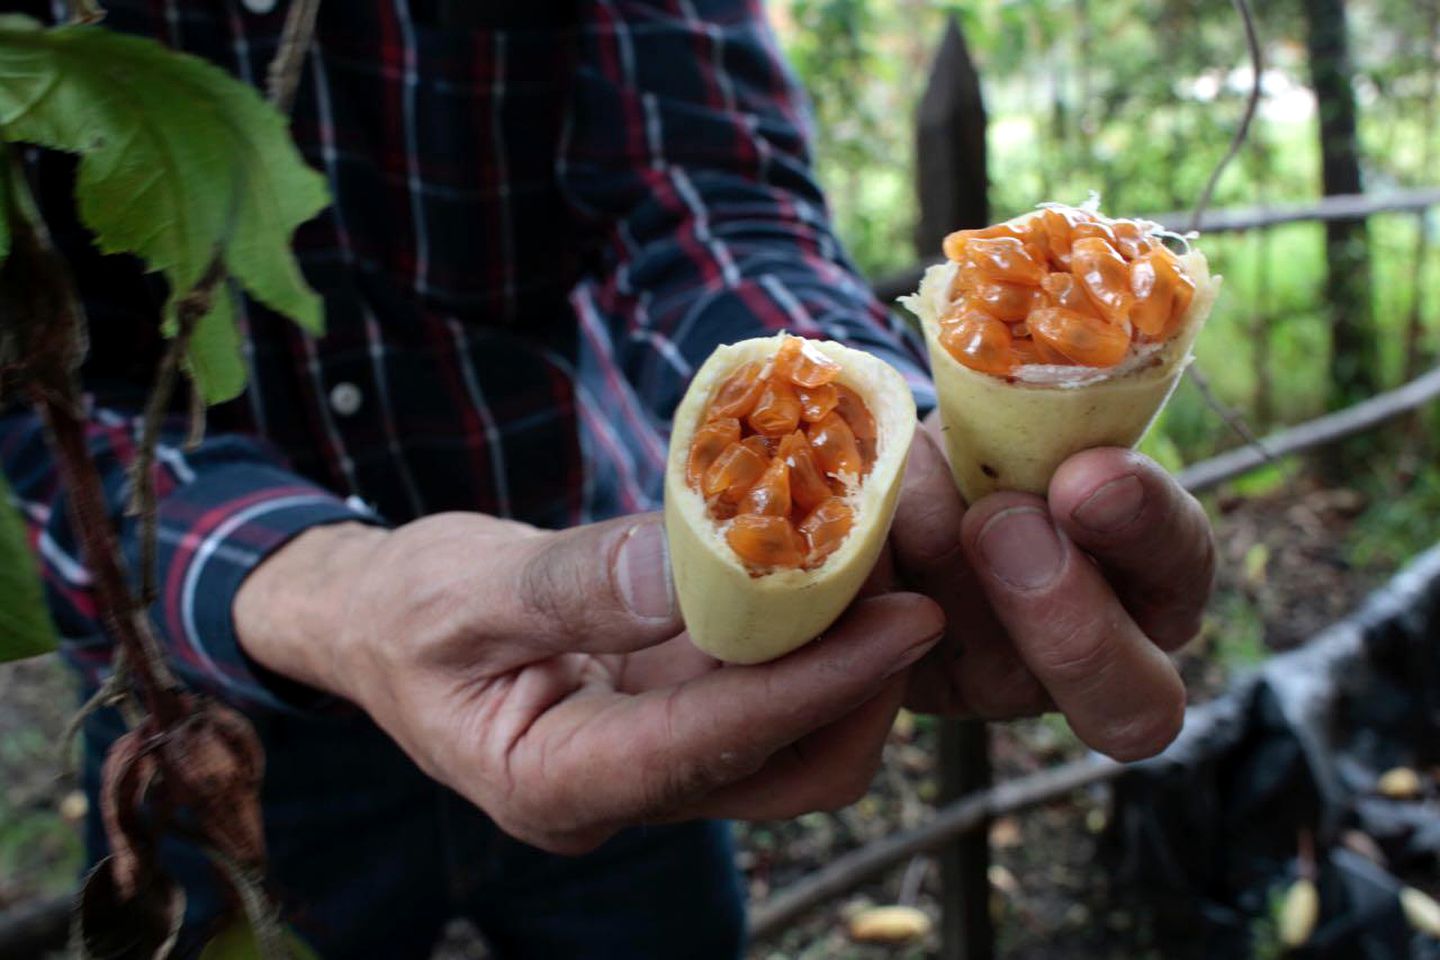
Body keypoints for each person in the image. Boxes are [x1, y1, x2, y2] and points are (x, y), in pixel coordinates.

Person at [0, 1, 1215, 957]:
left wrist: (869, 426)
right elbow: (31, 389)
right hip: (226, 716)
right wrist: (315, 583)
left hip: (631, 662)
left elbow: (702, 196)